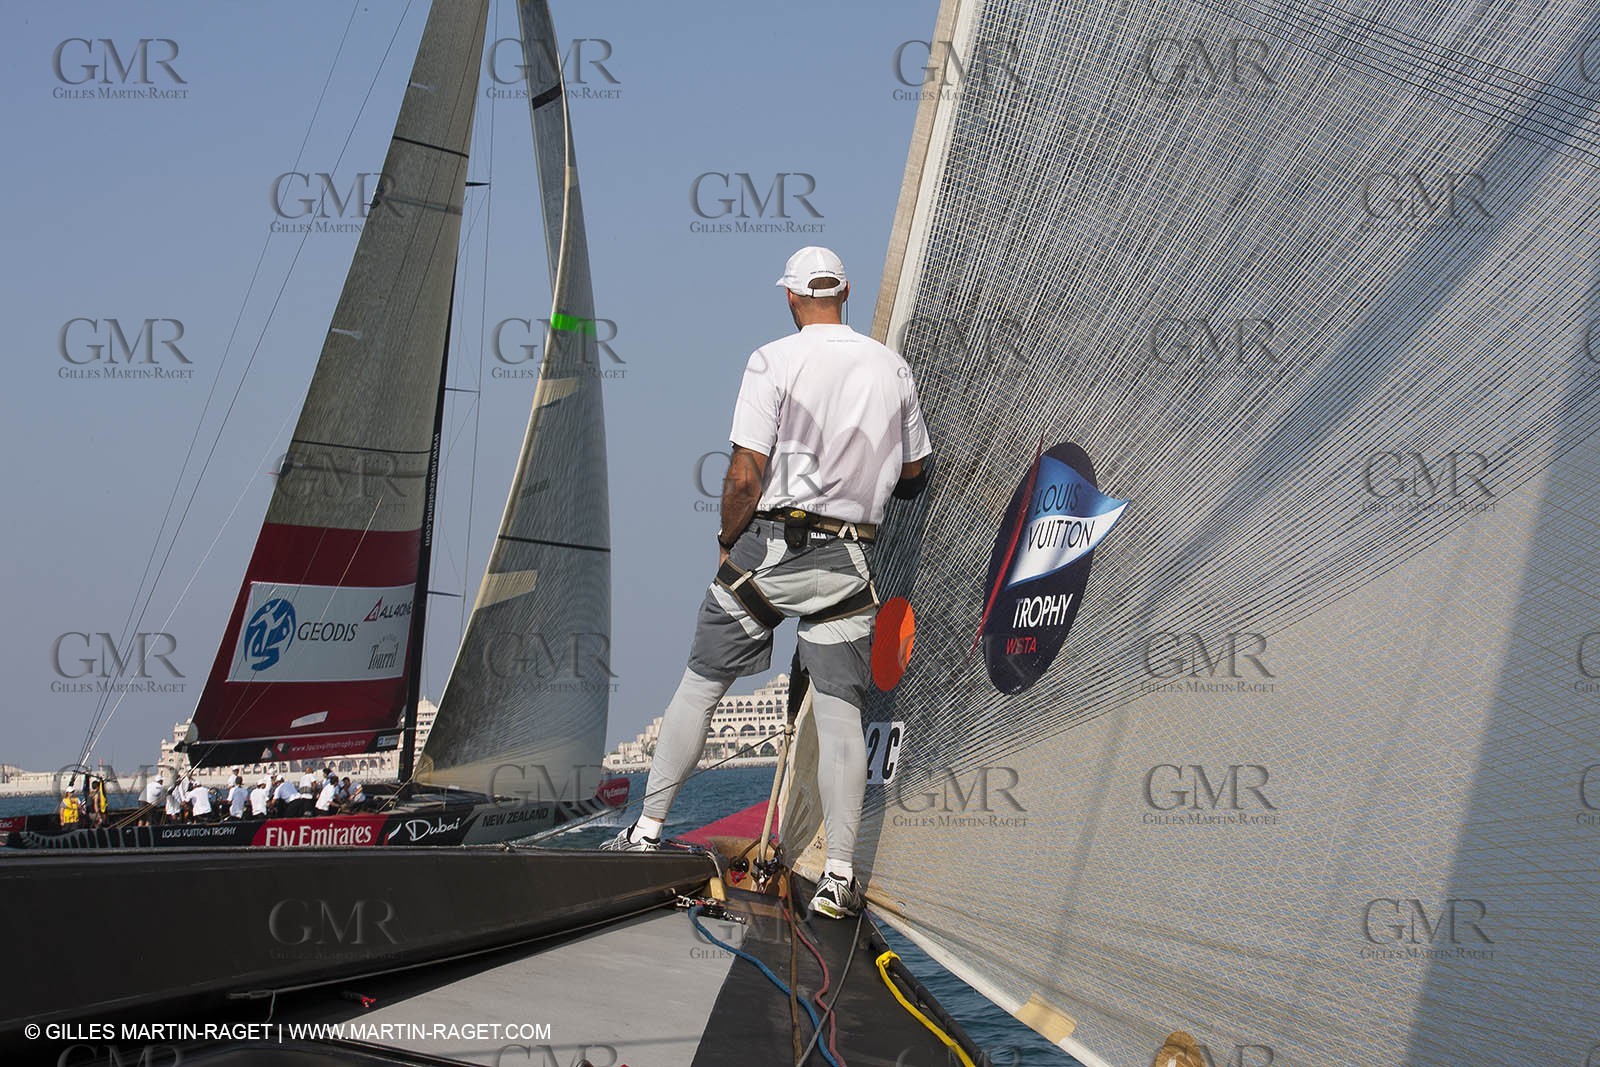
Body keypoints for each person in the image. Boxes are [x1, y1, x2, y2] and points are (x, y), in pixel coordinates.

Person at [602, 247, 932, 920]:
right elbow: (916, 473)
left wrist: (728, 542)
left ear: (790, 299)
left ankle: (645, 832)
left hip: (772, 546)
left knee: (701, 683)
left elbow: (746, 474)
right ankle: (839, 874)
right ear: (847, 292)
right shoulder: (890, 366)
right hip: (848, 558)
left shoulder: (772, 358)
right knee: (842, 719)